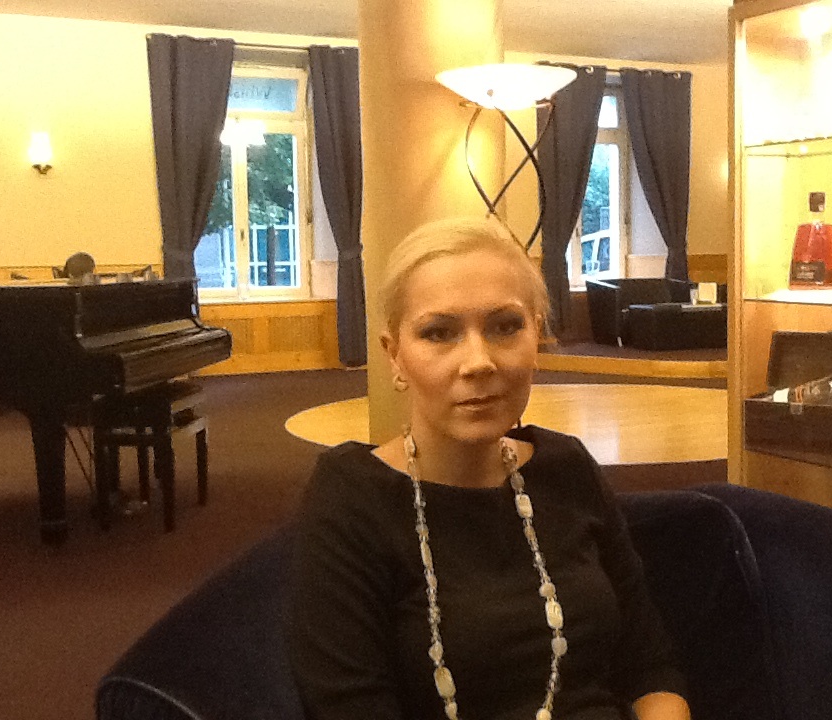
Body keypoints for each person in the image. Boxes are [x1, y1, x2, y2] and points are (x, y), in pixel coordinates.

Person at [286, 217, 691, 720]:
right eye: (439, 333)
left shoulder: (567, 468)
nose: (478, 361)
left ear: (537, 336)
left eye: (505, 326)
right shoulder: (351, 499)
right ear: (395, 357)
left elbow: (650, 668)